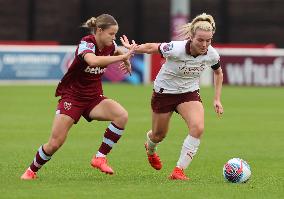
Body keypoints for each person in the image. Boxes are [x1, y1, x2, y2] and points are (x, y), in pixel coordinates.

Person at [21, 14, 136, 180]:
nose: (114, 37)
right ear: (99, 31)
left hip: (93, 98)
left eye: (115, 34)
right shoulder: (86, 43)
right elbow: (93, 61)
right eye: (111, 34)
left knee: (121, 115)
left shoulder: (110, 45)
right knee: (55, 143)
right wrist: (122, 57)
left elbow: (116, 49)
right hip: (72, 97)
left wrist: (126, 58)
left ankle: (100, 157)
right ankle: (31, 171)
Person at [120, 13, 224, 180]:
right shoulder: (175, 48)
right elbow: (152, 47)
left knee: (198, 128)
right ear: (191, 36)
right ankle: (150, 147)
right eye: (200, 40)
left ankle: (179, 171)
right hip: (164, 93)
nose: (204, 45)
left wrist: (217, 99)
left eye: (208, 40)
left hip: (189, 93)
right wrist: (134, 48)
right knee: (158, 135)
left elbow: (218, 73)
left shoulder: (211, 54)